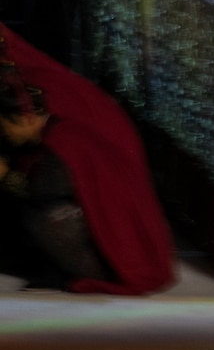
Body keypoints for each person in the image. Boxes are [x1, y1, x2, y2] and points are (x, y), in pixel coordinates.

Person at [0, 31, 174, 295]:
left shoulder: (62, 142)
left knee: (41, 215)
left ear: (25, 119)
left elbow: (40, 189)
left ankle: (75, 269)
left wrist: (4, 176)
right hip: (103, 235)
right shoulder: (55, 130)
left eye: (5, 127)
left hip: (112, 260)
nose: (5, 135)